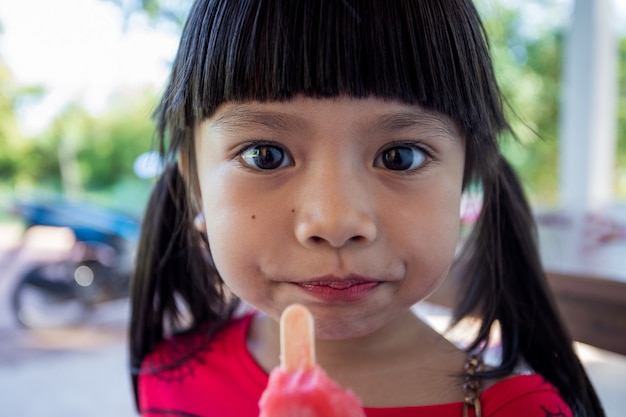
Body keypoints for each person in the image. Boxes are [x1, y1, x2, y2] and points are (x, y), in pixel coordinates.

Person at [129, 1, 605, 416]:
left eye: (400, 156)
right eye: (264, 155)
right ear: (195, 187)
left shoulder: (516, 411)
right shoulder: (168, 381)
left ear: (464, 180)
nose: (336, 223)